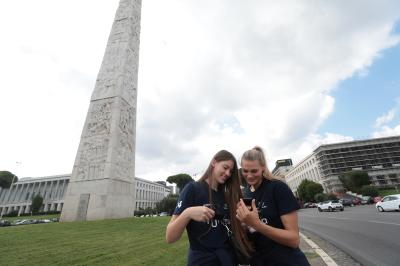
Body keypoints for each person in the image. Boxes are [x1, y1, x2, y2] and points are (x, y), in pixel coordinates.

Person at [166, 150, 252, 266]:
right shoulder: (192, 189)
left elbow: (233, 231)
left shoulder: (227, 196)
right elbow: (170, 237)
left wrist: (246, 222)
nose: (227, 173)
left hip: (227, 258)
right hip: (202, 260)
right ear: (214, 163)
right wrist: (188, 213)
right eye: (225, 167)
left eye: (230, 171)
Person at [236, 146, 310, 266]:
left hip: (286, 261)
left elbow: (294, 240)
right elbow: (251, 233)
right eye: (245, 171)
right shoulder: (246, 193)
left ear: (263, 167)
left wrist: (256, 224)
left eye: (254, 171)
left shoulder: (277, 187)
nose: (249, 176)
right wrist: (244, 224)